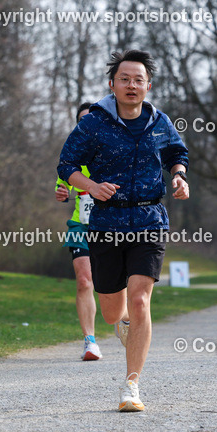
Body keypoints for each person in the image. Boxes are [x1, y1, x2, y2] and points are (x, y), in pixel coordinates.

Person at [58, 49, 189, 413]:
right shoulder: (94, 123)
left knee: (140, 298)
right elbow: (67, 163)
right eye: (125, 79)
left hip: (149, 220)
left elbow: (178, 153)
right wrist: (91, 185)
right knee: (113, 310)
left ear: (148, 85)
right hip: (106, 223)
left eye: (139, 80)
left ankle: (132, 385)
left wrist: (178, 176)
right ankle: (122, 324)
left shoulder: (159, 122)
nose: (132, 85)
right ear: (112, 84)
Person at [55, 102, 128, 361]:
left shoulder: (112, 151)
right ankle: (90, 341)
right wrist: (62, 193)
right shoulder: (72, 156)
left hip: (111, 225)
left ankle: (123, 319)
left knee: (117, 280)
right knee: (85, 280)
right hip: (80, 226)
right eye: (81, 121)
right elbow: (62, 188)